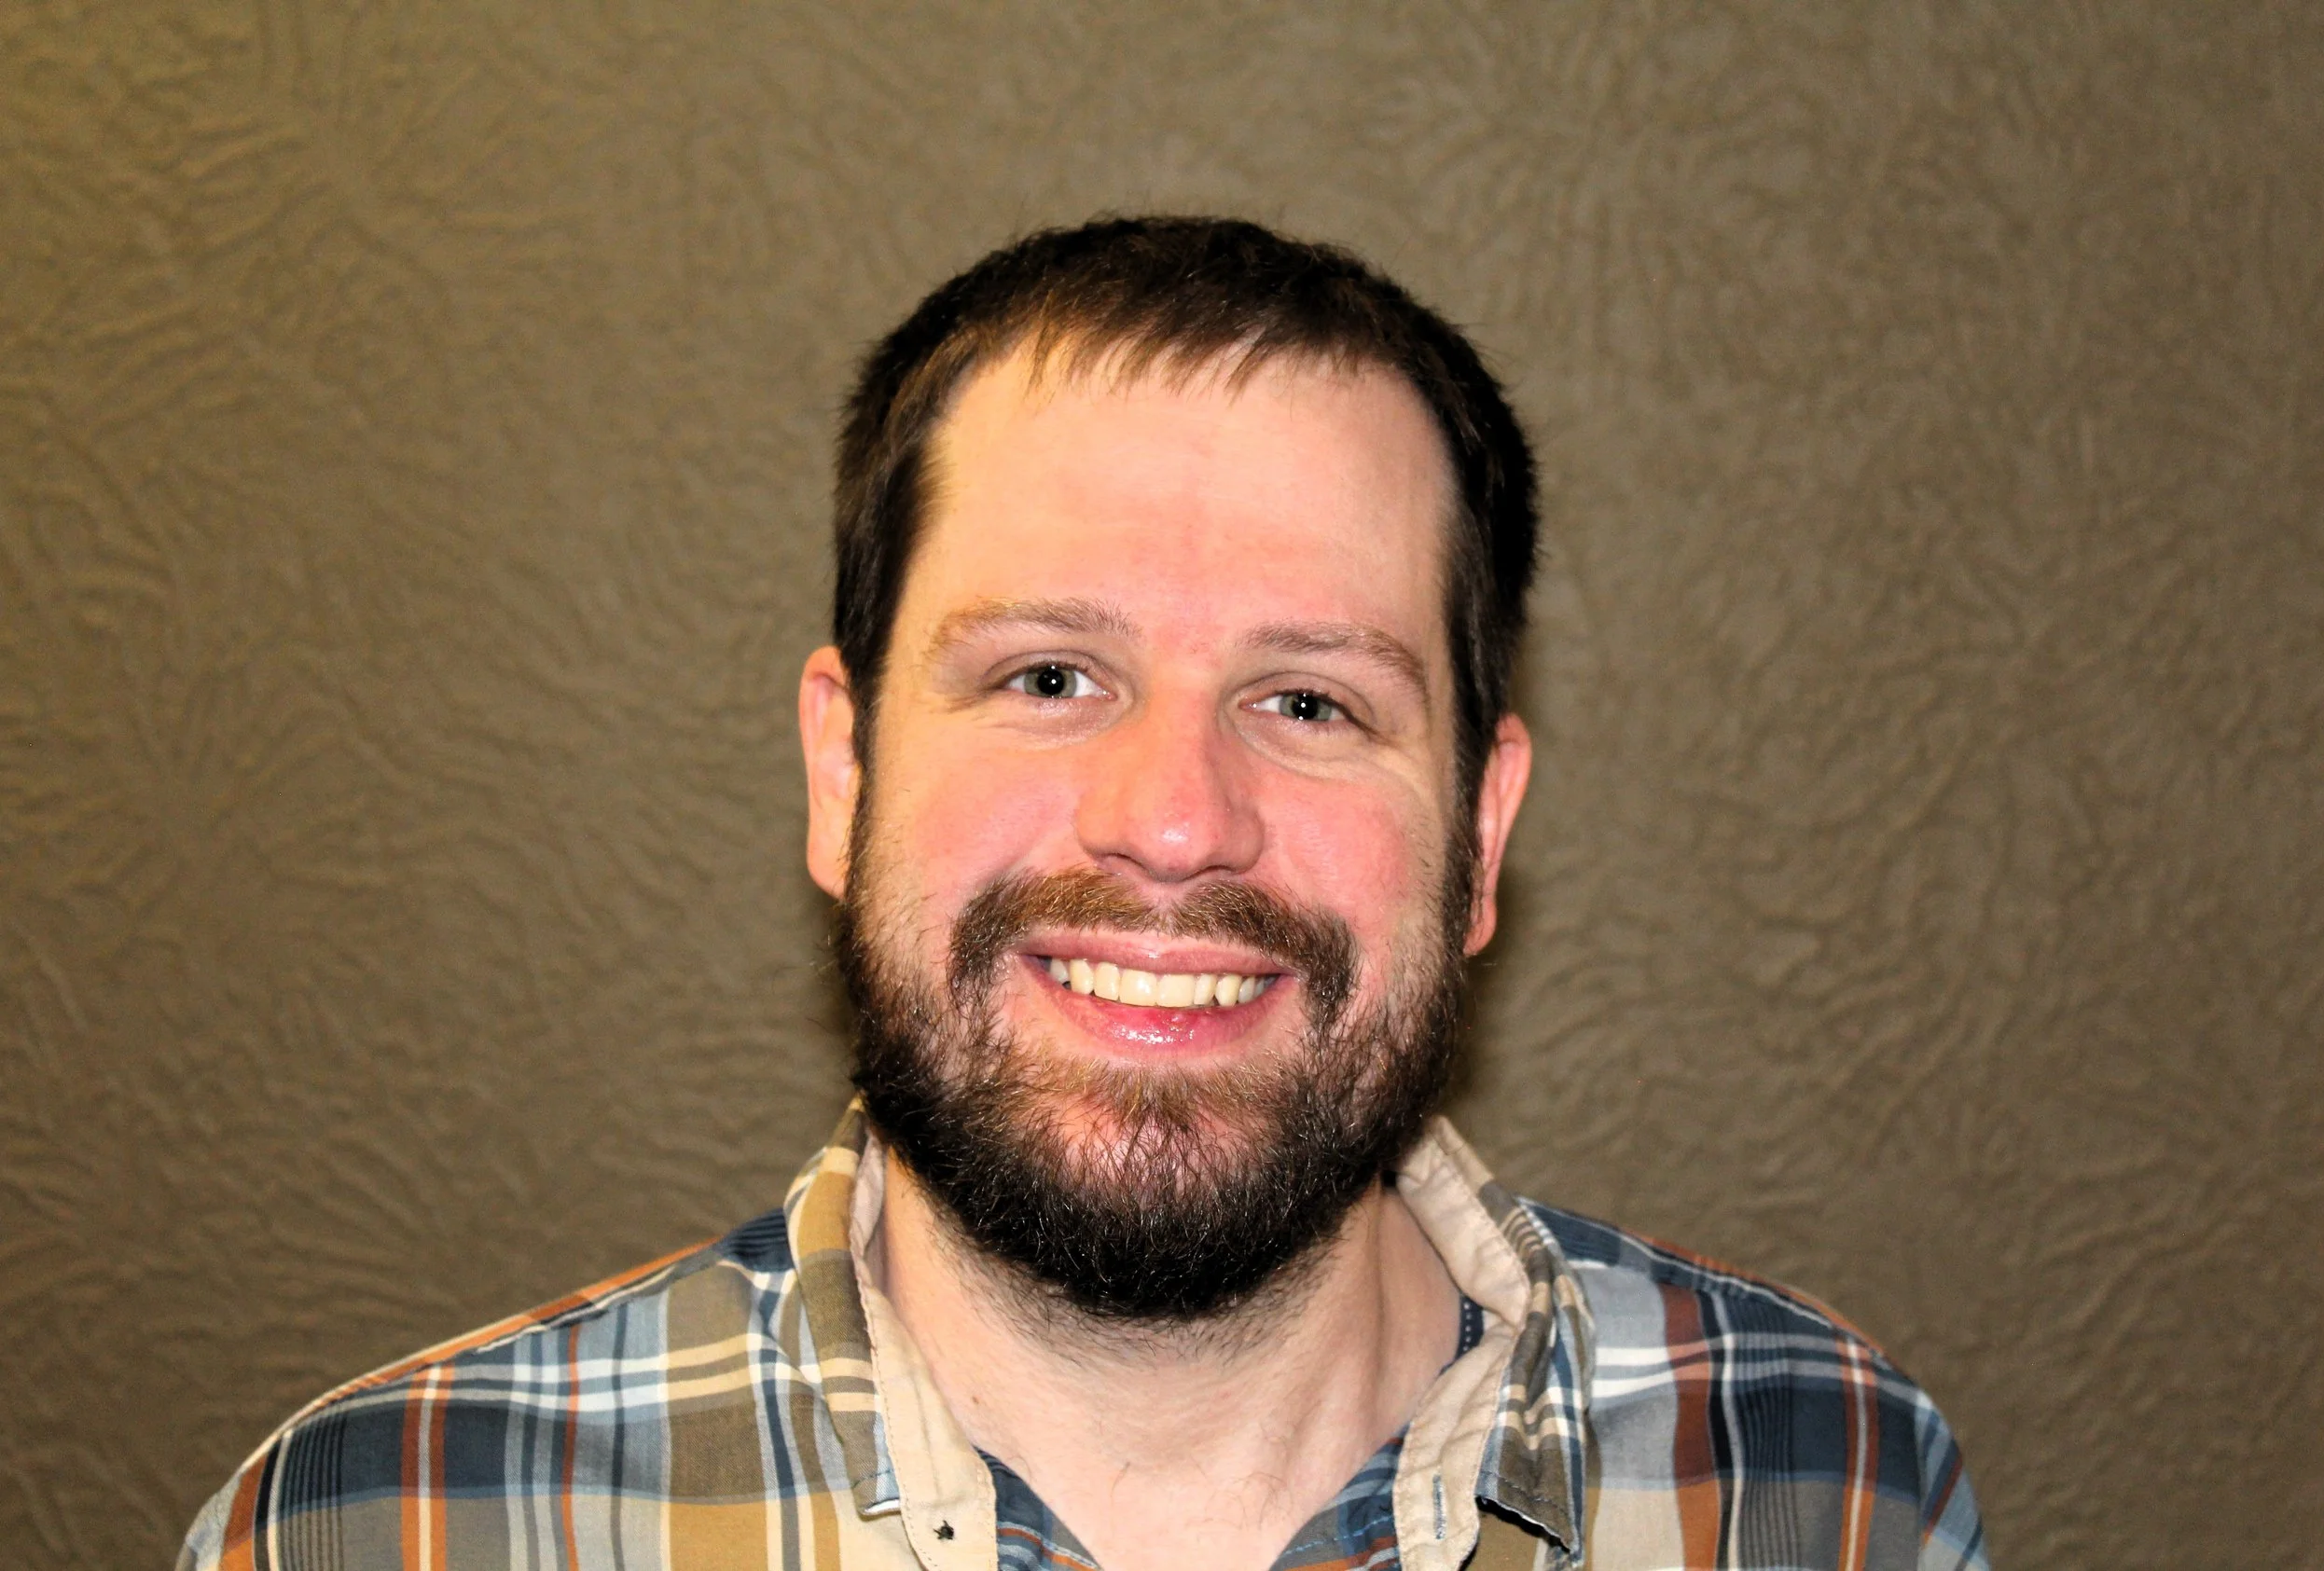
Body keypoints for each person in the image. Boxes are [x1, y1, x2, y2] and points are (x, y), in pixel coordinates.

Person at [180, 216, 1987, 1571]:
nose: (1174, 822)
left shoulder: (1820, 1482)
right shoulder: (381, 1526)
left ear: (1481, 831)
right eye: (1049, 676)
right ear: (843, 772)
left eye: (1308, 701)